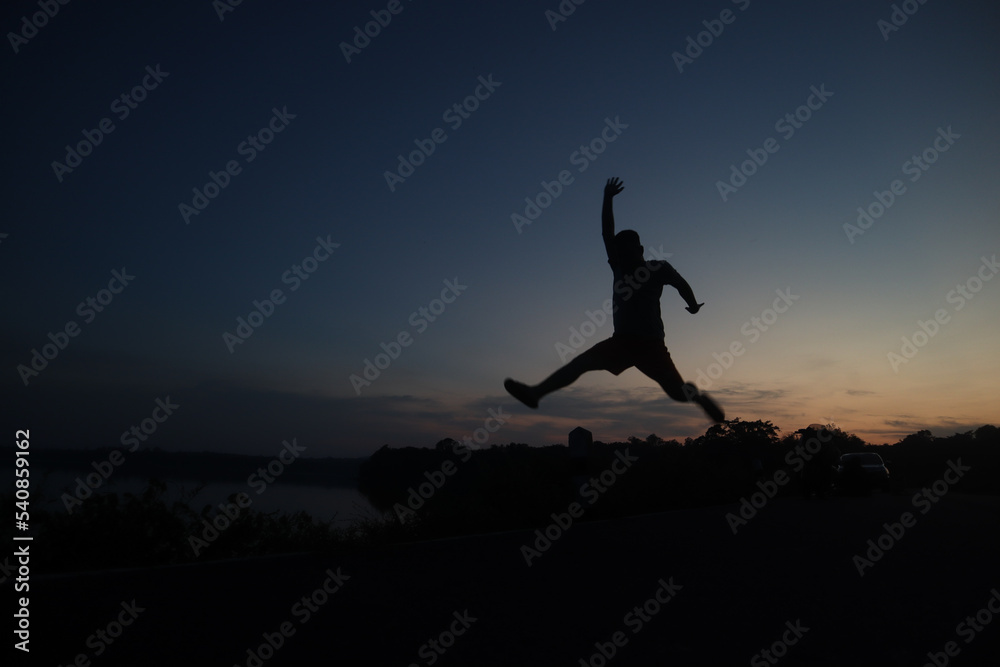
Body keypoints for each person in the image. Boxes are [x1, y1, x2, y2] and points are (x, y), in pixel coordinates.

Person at [504, 177, 724, 423]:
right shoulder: (618, 267)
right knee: (580, 364)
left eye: (630, 253)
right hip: (621, 342)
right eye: (621, 254)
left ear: (641, 250)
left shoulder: (658, 268)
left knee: (677, 393)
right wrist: (607, 198)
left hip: (651, 346)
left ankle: (698, 398)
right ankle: (535, 393)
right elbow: (606, 233)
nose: (626, 258)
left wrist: (693, 305)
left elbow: (682, 285)